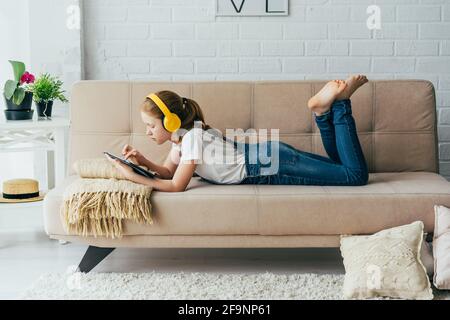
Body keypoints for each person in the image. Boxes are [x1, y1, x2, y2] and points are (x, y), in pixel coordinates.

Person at [106, 75, 369, 192]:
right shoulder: (183, 140)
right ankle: (325, 112)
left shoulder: (193, 139)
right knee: (341, 167)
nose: (147, 131)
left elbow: (177, 186)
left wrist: (133, 177)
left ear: (172, 121)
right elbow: (167, 172)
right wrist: (141, 162)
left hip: (269, 165)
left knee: (355, 176)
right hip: (270, 157)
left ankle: (337, 107)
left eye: (151, 125)